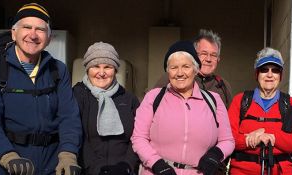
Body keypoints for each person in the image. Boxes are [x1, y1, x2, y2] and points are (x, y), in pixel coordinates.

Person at [0, 3, 82, 175]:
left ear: (49, 38)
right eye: (27, 27)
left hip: (52, 166)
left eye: (40, 29)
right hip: (9, 165)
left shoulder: (58, 69)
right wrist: (7, 156)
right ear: (14, 33)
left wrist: (68, 155)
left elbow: (69, 117)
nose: (33, 35)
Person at [131, 40, 234, 175]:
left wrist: (216, 154)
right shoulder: (153, 97)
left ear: (196, 69)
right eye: (174, 68)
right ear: (168, 72)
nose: (180, 73)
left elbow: (227, 140)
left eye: (186, 66)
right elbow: (139, 138)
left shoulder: (214, 100)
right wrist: (156, 164)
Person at [228, 47, 292, 175]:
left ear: (280, 76)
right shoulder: (240, 100)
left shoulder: (291, 104)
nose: (270, 75)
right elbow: (229, 138)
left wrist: (268, 134)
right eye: (264, 70)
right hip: (242, 171)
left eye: (275, 70)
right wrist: (249, 140)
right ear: (256, 74)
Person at [73, 42, 140, 175]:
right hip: (88, 171)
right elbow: (72, 134)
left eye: (108, 67)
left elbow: (138, 136)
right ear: (87, 69)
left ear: (115, 70)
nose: (102, 73)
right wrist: (91, 168)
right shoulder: (76, 95)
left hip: (123, 171)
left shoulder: (128, 99)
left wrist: (127, 165)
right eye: (96, 66)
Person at [154, 29, 232, 108]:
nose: (208, 59)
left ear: (218, 59)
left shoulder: (223, 86)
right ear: (194, 55)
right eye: (204, 53)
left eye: (213, 55)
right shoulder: (173, 78)